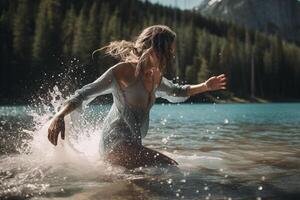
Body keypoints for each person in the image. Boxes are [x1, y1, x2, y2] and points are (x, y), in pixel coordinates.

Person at [48, 25, 226, 169]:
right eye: (169, 51)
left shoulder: (156, 76)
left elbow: (176, 92)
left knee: (141, 186)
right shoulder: (123, 71)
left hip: (132, 144)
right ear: (156, 49)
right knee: (169, 166)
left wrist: (205, 86)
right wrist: (59, 115)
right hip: (115, 143)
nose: (171, 56)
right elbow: (84, 94)